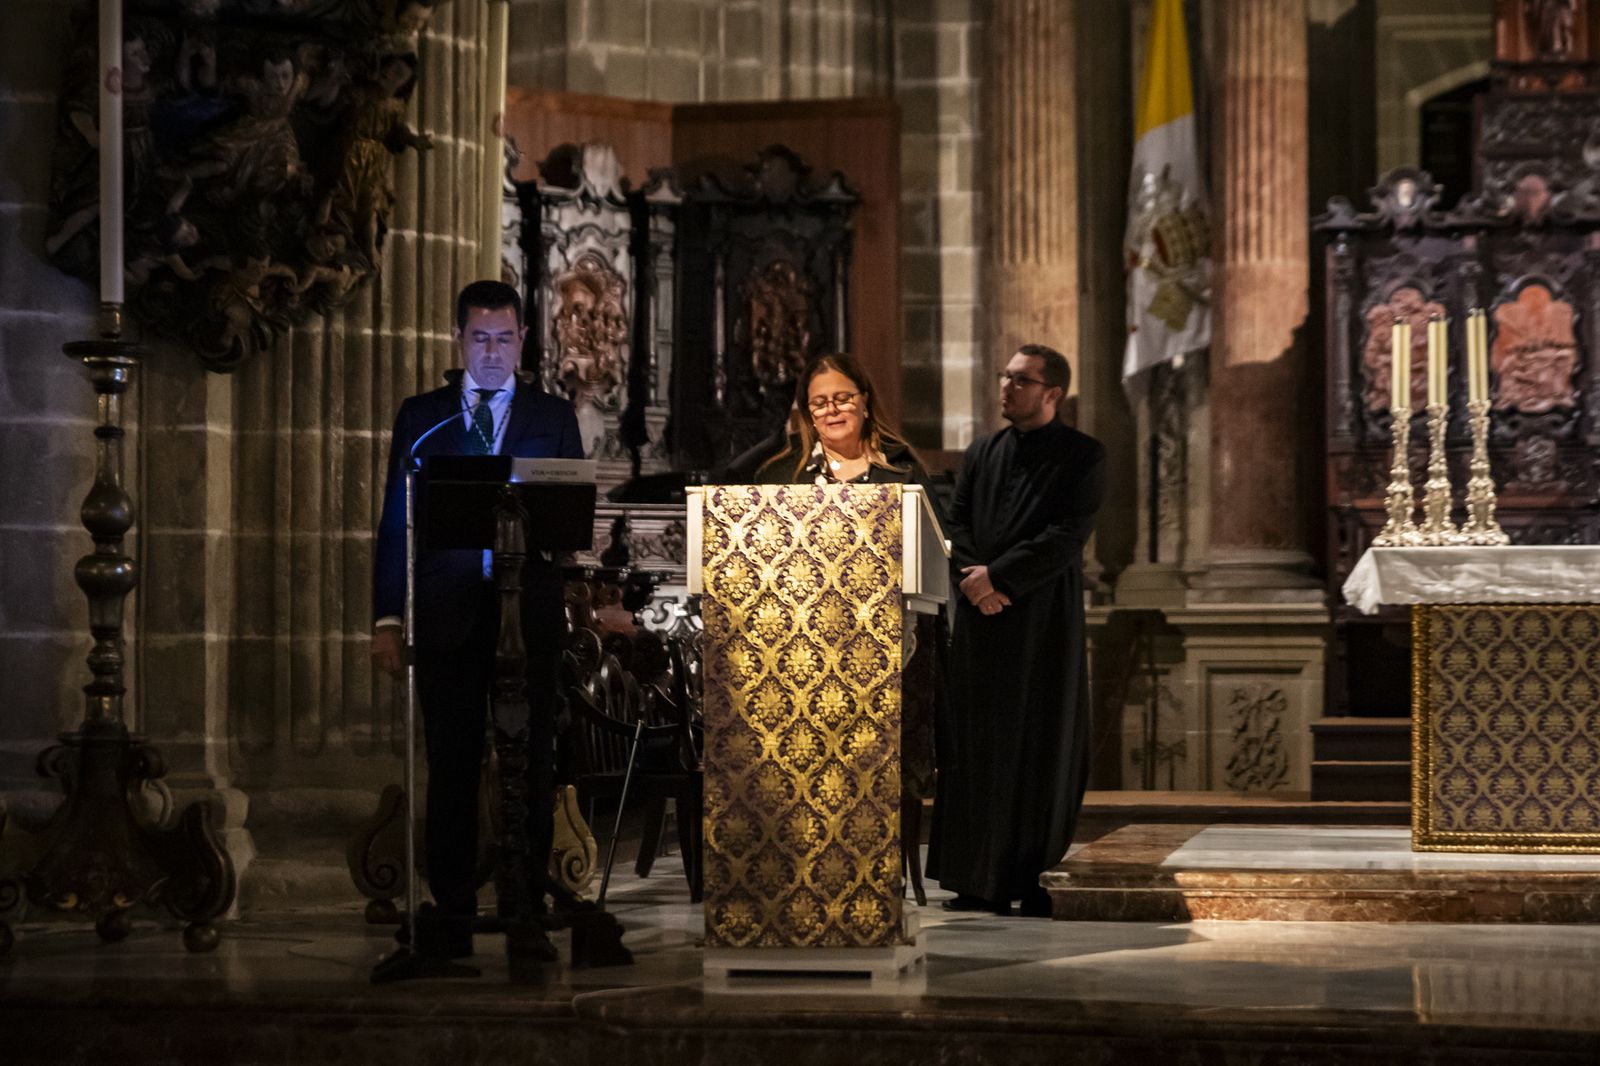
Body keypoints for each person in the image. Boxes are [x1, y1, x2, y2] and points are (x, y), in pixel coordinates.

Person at [371, 279, 583, 958]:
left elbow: (571, 515)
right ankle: (453, 915)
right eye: (479, 338)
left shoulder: (552, 416)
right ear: (457, 340)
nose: (492, 352)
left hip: (531, 618)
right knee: (454, 765)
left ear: (523, 341)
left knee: (534, 767)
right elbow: (396, 522)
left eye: (505, 338)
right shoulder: (423, 417)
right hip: (449, 615)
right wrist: (385, 619)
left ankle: (524, 909)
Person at [754, 354, 942, 901]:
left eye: (842, 397)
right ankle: (806, 872)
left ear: (865, 399)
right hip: (804, 650)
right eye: (819, 402)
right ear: (805, 412)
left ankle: (880, 878)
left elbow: (934, 547)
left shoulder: (901, 469)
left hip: (894, 648)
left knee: (879, 766)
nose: (832, 409)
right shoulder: (781, 473)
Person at [926, 343, 1106, 918]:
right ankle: (971, 878)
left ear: (1052, 393)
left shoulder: (1084, 456)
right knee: (977, 742)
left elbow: (1067, 533)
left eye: (1021, 380)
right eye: (1005, 376)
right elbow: (954, 524)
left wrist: (999, 578)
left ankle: (1031, 876)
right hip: (981, 619)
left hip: (1041, 616)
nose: (1007, 387)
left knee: (1037, 742)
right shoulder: (982, 452)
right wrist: (974, 581)